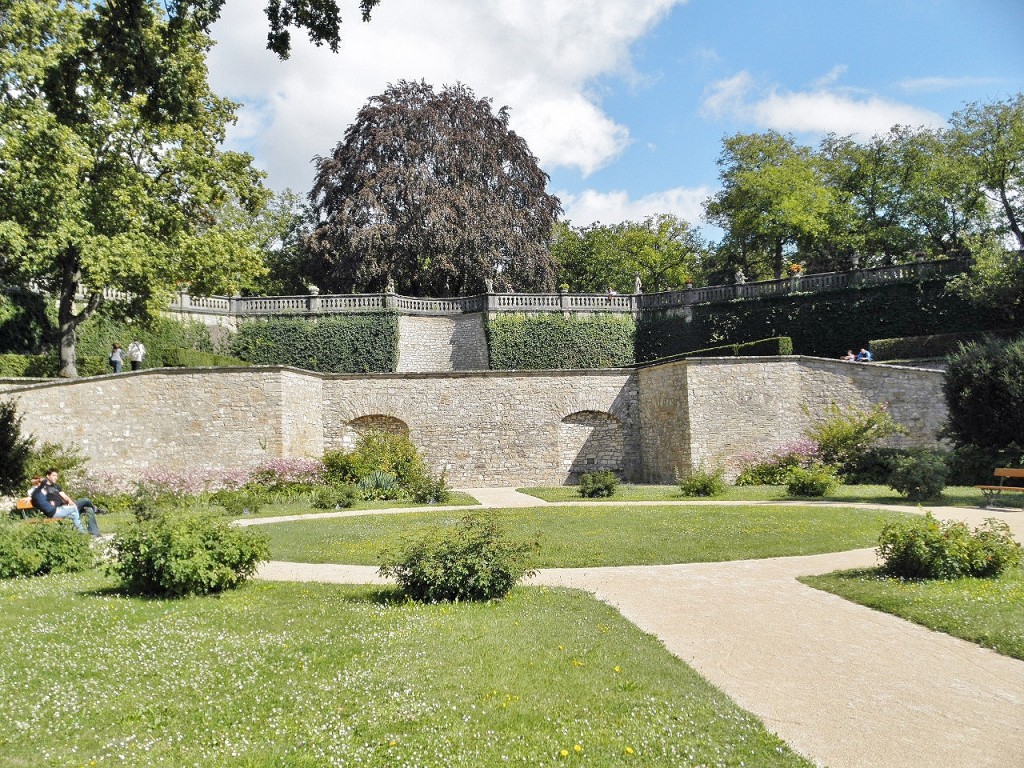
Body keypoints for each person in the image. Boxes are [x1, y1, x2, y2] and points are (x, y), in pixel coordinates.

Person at [31, 468, 101, 536]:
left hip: (66, 506)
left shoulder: (56, 486)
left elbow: (64, 496)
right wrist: (30, 497)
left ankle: (94, 533)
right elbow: (36, 494)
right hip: (57, 510)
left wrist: (70, 501)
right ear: (48, 476)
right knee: (85, 501)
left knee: (89, 509)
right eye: (54, 475)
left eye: (57, 476)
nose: (56, 478)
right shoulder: (43, 487)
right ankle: (93, 511)